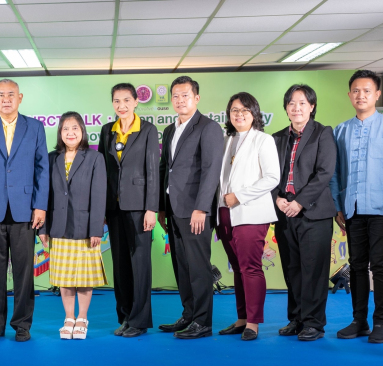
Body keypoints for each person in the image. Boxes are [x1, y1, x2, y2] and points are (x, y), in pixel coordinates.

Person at [331, 70, 383, 344]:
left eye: (367, 91)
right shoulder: (341, 130)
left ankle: (381, 323)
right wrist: (337, 206)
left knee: (380, 266)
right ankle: (359, 321)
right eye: (356, 90)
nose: (361, 95)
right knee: (356, 266)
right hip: (352, 209)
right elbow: (335, 173)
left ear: (377, 94)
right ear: (349, 95)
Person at [0, 79, 49, 342]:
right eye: (1, 95)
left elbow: (42, 169)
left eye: (11, 94)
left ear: (20, 97)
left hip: (25, 210)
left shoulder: (35, 127)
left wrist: (40, 205)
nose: (6, 99)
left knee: (24, 273)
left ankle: (22, 325)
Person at [158, 76, 224, 339]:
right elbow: (166, 169)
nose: (179, 100)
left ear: (196, 98)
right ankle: (188, 315)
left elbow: (211, 171)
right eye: (175, 96)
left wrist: (202, 208)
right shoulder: (170, 130)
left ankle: (203, 322)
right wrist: (161, 207)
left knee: (198, 268)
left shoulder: (208, 127)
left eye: (185, 95)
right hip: (174, 209)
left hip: (196, 211)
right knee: (182, 267)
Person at [272, 84, 337, 341]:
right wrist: (276, 198)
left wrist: (299, 202)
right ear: (286, 108)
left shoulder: (323, 133)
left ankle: (314, 323)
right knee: (292, 270)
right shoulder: (277, 138)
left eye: (302, 103)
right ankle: (296, 319)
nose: (296, 108)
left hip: (314, 213)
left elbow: (325, 173)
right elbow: (268, 175)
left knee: (314, 271)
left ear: (312, 106)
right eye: (291, 103)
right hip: (284, 212)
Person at [215, 92, 279, 341]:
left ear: (254, 113)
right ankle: (241, 318)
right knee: (238, 268)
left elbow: (272, 178)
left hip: (250, 212)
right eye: (234, 110)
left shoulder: (263, 140)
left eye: (245, 110)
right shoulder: (225, 140)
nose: (239, 114)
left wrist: (239, 196)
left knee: (250, 268)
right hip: (224, 212)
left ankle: (253, 322)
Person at [98, 83, 159, 338]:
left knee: (140, 265)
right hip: (113, 208)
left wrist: (151, 208)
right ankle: (124, 317)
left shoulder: (148, 130)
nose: (121, 106)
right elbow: (102, 171)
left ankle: (140, 321)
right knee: (120, 265)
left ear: (136, 102)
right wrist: (101, 207)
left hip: (139, 208)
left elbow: (153, 171)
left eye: (126, 100)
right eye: (116, 101)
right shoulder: (107, 131)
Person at [40, 112, 108, 340]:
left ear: (82, 131)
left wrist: (96, 229)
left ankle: (82, 318)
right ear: (60, 132)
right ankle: (69, 318)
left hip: (85, 228)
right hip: (58, 227)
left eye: (75, 128)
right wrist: (43, 228)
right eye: (65, 129)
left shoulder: (95, 158)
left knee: (84, 278)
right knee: (65, 278)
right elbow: (44, 195)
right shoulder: (51, 158)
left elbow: (99, 196)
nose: (70, 133)